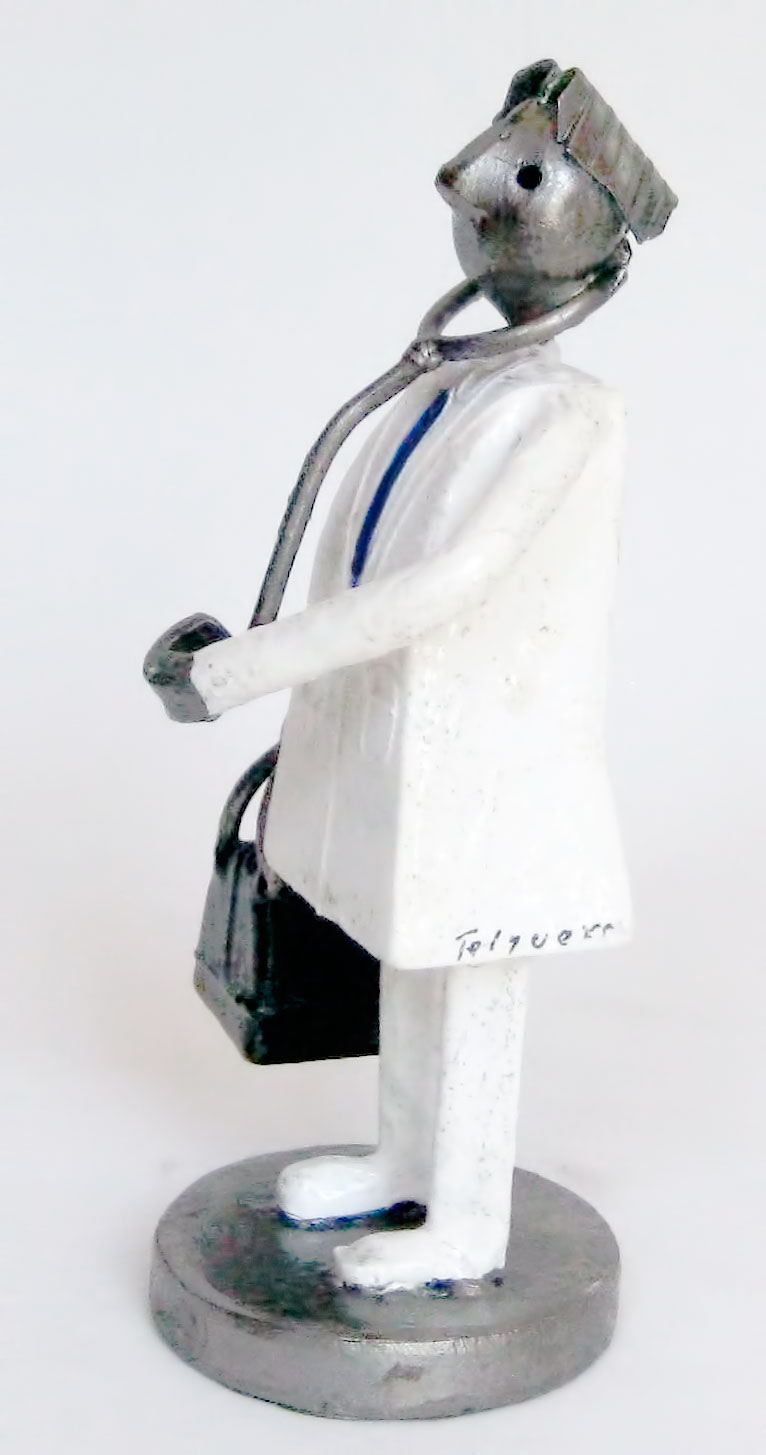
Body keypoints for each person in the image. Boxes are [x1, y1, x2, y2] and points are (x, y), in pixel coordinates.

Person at [145, 61, 676, 1291]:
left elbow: (445, 585)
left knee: (473, 977)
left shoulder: (567, 412)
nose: (472, 193)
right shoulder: (444, 383)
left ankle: (470, 1218)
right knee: (408, 955)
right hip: (401, 749)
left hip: (485, 766)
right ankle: (403, 1158)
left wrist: (246, 669)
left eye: (525, 177)